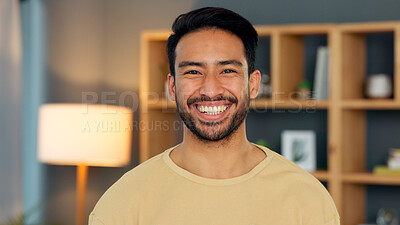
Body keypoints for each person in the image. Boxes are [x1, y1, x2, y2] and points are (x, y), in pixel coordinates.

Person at [89, 7, 340, 225]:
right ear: (172, 87)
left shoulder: (307, 198)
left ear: (253, 85)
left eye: (228, 70)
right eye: (193, 72)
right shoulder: (123, 202)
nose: (210, 90)